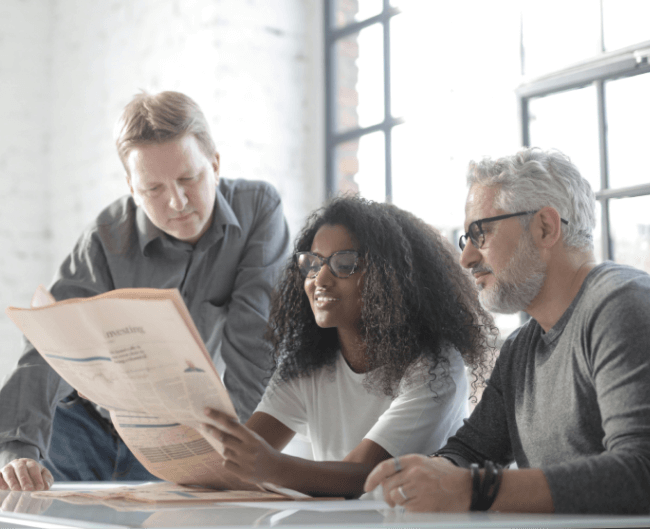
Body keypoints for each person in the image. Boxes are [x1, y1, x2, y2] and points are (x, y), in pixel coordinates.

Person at [0, 91, 291, 491]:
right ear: (131, 186)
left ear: (214, 163)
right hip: (81, 430)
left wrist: (234, 456)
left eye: (188, 178)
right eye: (153, 189)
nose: (176, 202)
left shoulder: (258, 210)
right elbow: (50, 342)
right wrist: (17, 450)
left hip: (182, 441)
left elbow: (256, 345)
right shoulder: (105, 236)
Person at [365, 148, 650, 515]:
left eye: (481, 233)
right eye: (466, 240)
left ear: (545, 227)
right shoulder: (522, 347)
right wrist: (430, 476)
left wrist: (472, 489)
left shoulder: (625, 305)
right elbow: (471, 451)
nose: (467, 258)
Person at [201, 195, 495, 497]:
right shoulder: (308, 363)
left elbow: (365, 477)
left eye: (344, 264)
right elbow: (237, 461)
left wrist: (272, 467)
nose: (320, 279)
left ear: (391, 276)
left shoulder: (436, 366)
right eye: (312, 264)